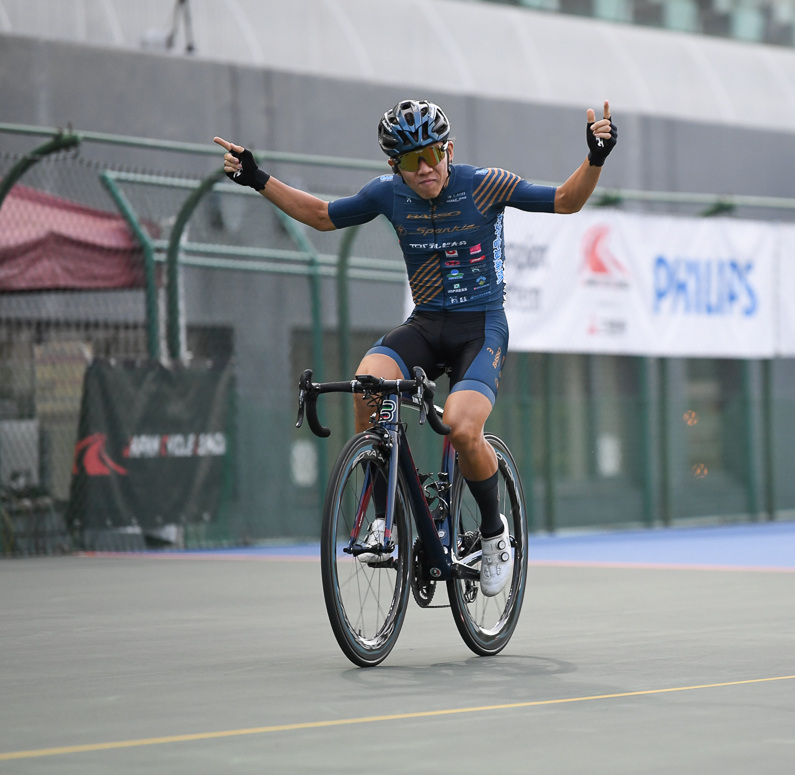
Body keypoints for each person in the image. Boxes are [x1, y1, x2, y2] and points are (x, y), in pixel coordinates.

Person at [215, 99, 617, 595]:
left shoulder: (484, 184)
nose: (424, 169)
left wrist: (595, 158)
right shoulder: (387, 194)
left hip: (480, 327)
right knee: (367, 387)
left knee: (461, 428)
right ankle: (386, 518)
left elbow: (565, 199)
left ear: (449, 149)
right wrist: (258, 179)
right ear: (394, 167)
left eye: (431, 155)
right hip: (426, 324)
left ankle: (494, 534)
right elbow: (320, 215)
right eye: (410, 161)